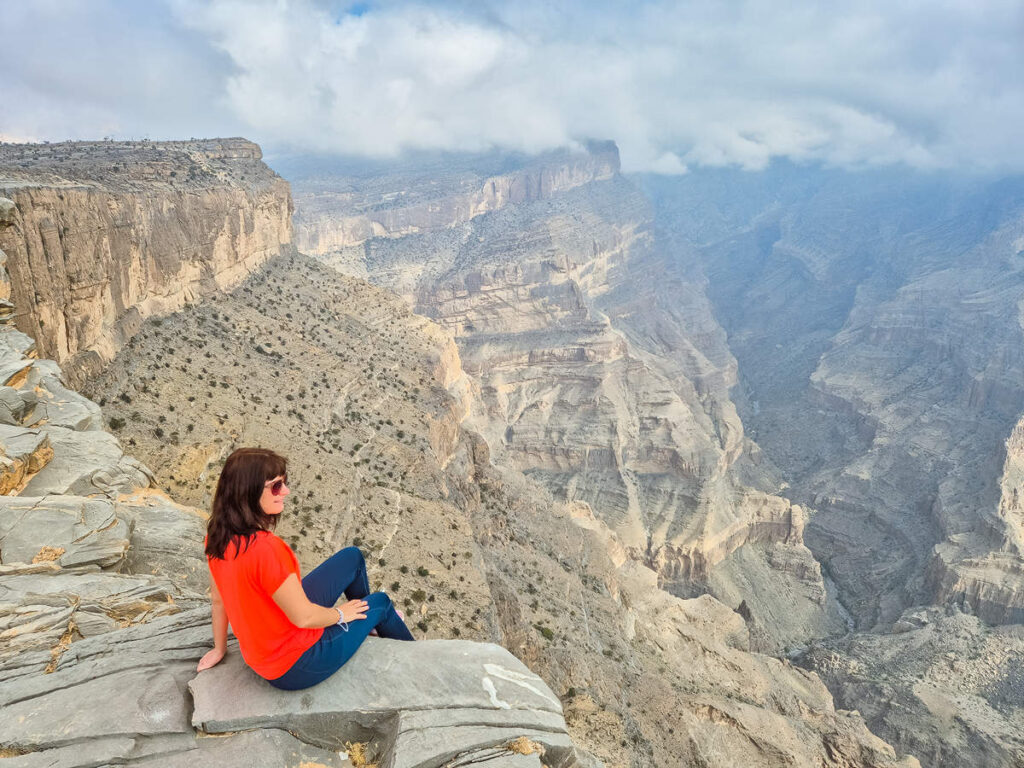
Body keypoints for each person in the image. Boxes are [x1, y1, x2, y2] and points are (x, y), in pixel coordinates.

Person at [195, 447, 414, 690]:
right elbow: (304, 617)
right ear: (249, 492)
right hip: (296, 664)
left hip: (271, 642)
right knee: (382, 603)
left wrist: (219, 649)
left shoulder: (217, 537)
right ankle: (417, 661)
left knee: (352, 557)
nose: (286, 491)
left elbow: (218, 599)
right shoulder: (267, 550)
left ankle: (366, 625)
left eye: (284, 483)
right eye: (277, 486)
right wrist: (342, 614)